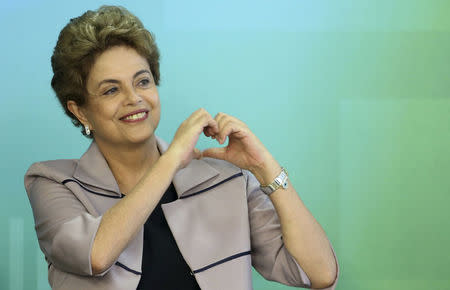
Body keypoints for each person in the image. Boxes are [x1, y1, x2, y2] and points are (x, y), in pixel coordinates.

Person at [24, 5, 339, 290]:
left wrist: (265, 167)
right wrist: (172, 158)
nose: (134, 98)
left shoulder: (222, 180)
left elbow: (318, 273)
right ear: (80, 111)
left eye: (143, 81)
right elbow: (96, 254)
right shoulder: (53, 183)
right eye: (111, 90)